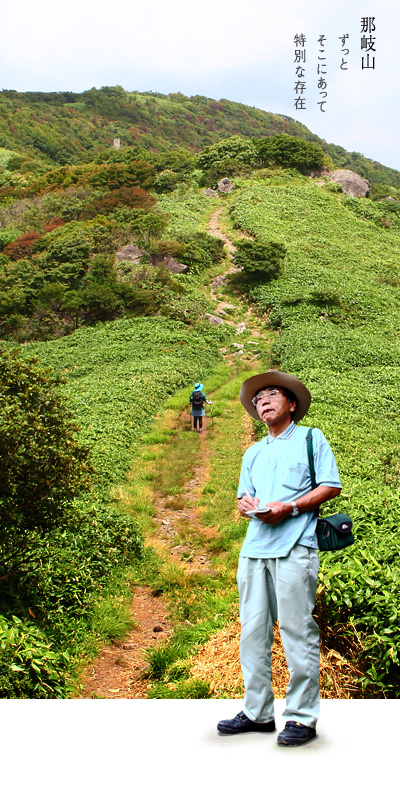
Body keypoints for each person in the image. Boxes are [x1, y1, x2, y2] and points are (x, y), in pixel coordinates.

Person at [217, 370, 342, 746]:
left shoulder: (310, 438)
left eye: (272, 394)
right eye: (257, 399)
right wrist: (246, 505)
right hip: (254, 549)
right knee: (252, 633)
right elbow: (244, 498)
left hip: (296, 547)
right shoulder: (252, 452)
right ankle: (257, 713)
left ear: (291, 404)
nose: (263, 401)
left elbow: (330, 485)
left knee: (296, 630)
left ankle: (302, 718)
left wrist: (291, 507)